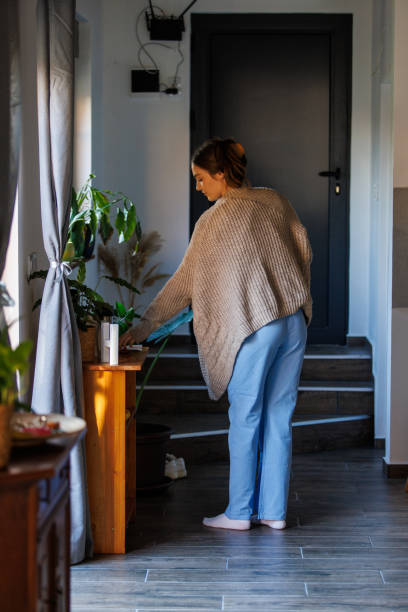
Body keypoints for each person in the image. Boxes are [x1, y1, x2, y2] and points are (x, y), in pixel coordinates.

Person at [120, 137, 312, 531]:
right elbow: (304, 249)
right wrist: (291, 290)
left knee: (245, 417)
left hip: (256, 328)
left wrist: (142, 328)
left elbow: (183, 284)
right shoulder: (275, 201)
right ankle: (274, 512)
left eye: (200, 178)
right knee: (279, 417)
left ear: (221, 175)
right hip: (292, 321)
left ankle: (240, 512)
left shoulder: (213, 221)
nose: (198, 187)